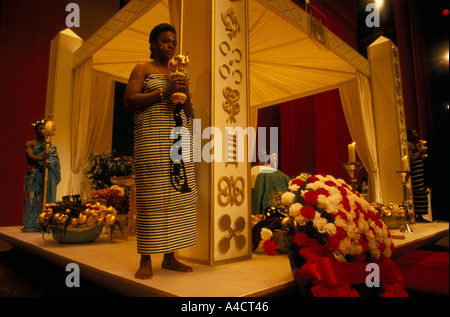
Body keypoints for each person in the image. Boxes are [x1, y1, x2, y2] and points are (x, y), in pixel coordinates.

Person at [123, 23, 197, 279]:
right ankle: (146, 258)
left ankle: (170, 257)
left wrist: (185, 93)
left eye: (173, 42)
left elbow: (190, 114)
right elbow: (128, 102)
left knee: (177, 196)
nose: (170, 45)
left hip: (177, 139)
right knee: (151, 197)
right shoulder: (142, 69)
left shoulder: (181, 73)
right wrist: (164, 91)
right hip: (151, 139)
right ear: (153, 44)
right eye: (165, 41)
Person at [23, 119, 61, 232]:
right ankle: (30, 224)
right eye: (40, 128)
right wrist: (42, 159)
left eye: (44, 129)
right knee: (30, 200)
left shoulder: (50, 147)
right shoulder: (30, 143)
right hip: (32, 176)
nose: (42, 131)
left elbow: (55, 160)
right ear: (35, 129)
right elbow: (30, 156)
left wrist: (50, 164)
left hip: (45, 176)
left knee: (44, 200)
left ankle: (43, 223)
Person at [407, 129, 429, 221]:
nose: (417, 134)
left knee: (422, 194)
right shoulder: (409, 145)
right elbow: (410, 159)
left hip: (420, 173)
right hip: (415, 174)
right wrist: (420, 152)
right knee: (418, 195)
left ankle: (421, 216)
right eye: (414, 133)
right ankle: (417, 215)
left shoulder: (415, 145)